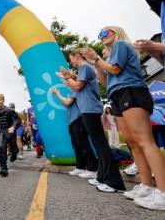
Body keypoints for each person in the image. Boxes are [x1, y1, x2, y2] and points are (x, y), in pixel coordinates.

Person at [82, 26, 165, 210]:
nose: (101, 37)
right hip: (117, 95)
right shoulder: (109, 56)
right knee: (132, 142)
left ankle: (163, 191)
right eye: (99, 35)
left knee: (145, 141)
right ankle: (146, 186)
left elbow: (116, 70)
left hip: (131, 91)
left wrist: (97, 59)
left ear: (116, 33)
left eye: (105, 33)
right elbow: (106, 81)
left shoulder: (120, 44)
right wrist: (97, 63)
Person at [61, 48, 125, 193]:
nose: (71, 61)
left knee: (101, 145)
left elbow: (77, 86)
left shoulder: (85, 66)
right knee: (98, 145)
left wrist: (66, 77)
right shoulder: (84, 69)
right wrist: (69, 75)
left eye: (71, 58)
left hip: (91, 109)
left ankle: (114, 182)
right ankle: (102, 177)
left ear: (77, 56)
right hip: (88, 109)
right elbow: (79, 83)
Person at [52, 88, 98, 177]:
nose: (65, 82)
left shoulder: (75, 90)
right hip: (72, 121)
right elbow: (67, 105)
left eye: (66, 80)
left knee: (84, 145)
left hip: (78, 119)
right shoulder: (71, 92)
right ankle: (80, 167)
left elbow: (67, 102)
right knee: (76, 145)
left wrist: (58, 93)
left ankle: (92, 169)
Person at [0, 94, 19, 177]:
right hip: (2, 132)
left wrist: (13, 127)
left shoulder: (9, 110)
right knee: (0, 146)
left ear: (3, 100)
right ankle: (3, 168)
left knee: (13, 148)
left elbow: (17, 119)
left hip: (11, 131)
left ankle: (14, 154)